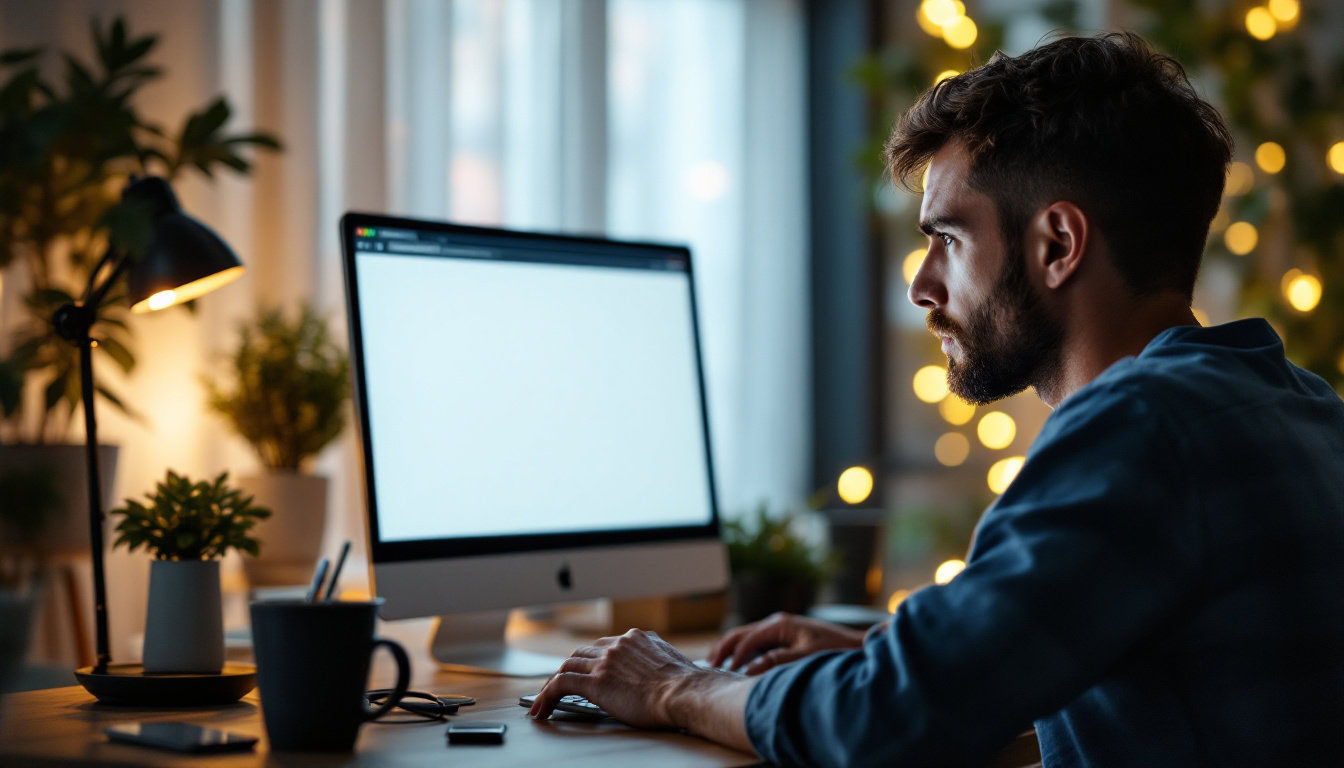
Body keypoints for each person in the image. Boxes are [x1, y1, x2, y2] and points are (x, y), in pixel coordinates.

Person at [528, 31, 1344, 766]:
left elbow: (887, 723)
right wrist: (888, 648)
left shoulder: (1140, 429)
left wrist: (680, 688)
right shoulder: (1296, 406)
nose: (921, 286)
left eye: (947, 239)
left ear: (1057, 244)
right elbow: (1133, 639)